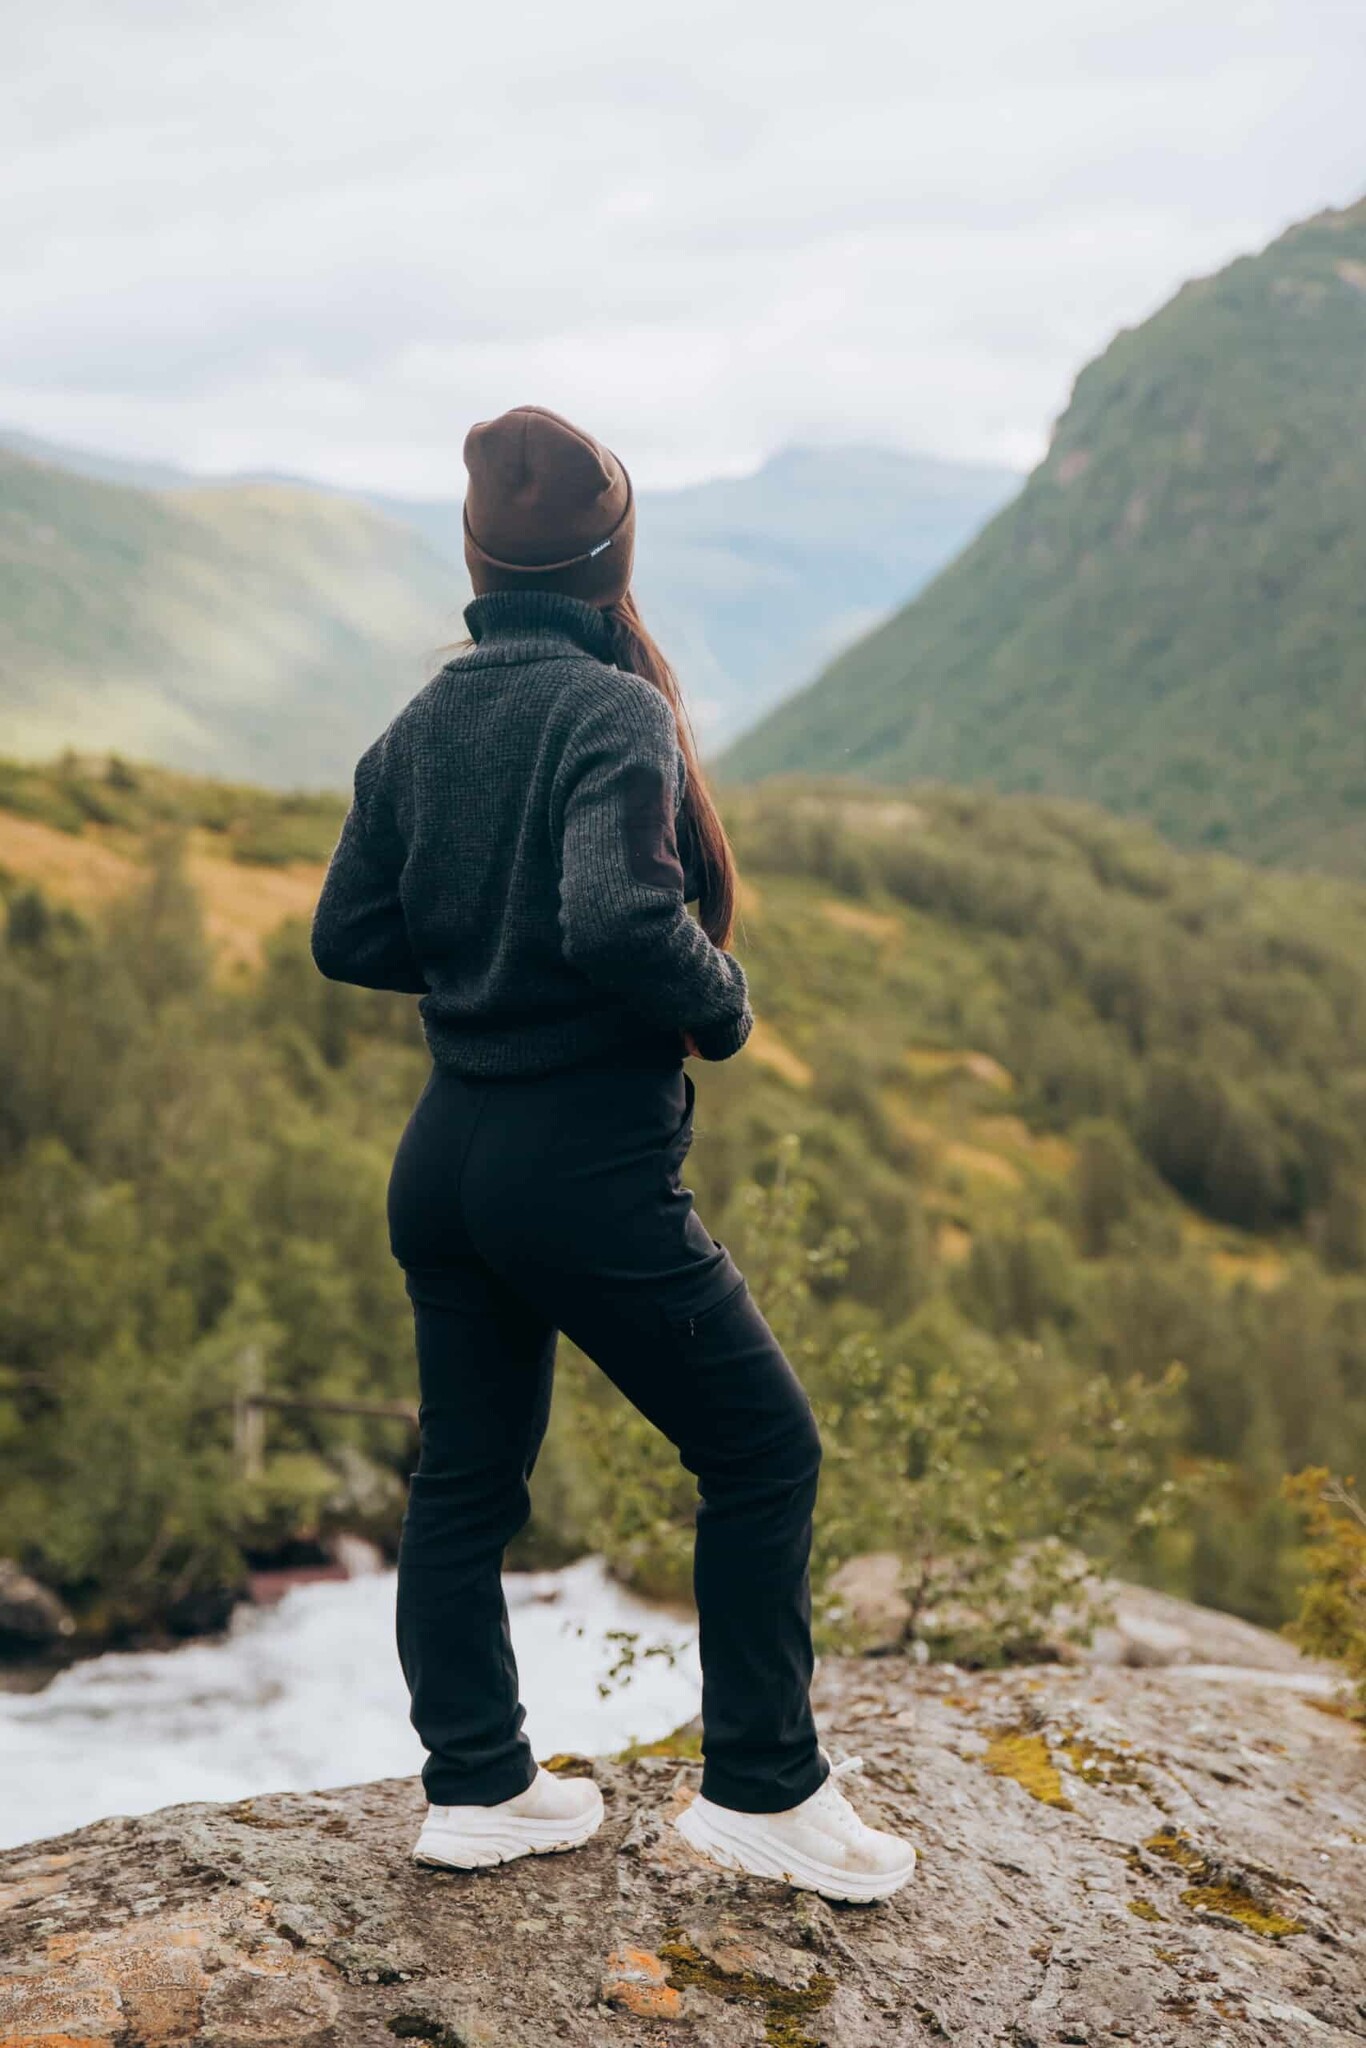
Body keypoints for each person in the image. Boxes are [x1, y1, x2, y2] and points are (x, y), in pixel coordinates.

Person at [311, 404, 915, 1903]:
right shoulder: (612, 710)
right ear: (610, 559)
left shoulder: (422, 723)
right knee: (761, 1451)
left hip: (443, 1157)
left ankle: (479, 1788)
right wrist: (721, 1009)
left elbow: (350, 935)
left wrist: (477, 964)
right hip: (576, 1165)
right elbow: (612, 914)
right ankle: (765, 1791)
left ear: (478, 556)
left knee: (462, 1487)